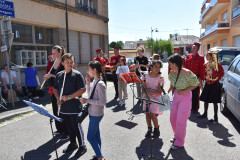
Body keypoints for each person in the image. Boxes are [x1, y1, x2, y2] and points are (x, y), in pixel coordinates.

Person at [54, 53, 87, 155]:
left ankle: (82, 145)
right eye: (67, 62)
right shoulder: (59, 75)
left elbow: (83, 89)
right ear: (62, 63)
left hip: (74, 106)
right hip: (64, 107)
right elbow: (55, 89)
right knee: (69, 127)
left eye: (71, 62)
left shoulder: (77, 75)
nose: (70, 64)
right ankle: (73, 143)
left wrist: (69, 97)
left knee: (76, 126)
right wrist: (57, 99)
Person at [168, 54, 199, 149]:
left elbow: (196, 84)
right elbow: (172, 84)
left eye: (170, 63)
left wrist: (185, 90)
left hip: (185, 97)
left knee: (181, 120)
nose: (169, 65)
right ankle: (177, 135)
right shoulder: (171, 73)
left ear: (174, 63)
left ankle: (179, 142)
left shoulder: (187, 73)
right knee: (172, 118)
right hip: (176, 96)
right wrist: (168, 90)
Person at [81, 61, 106, 160]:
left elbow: (103, 101)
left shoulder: (100, 84)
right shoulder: (95, 81)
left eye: (89, 69)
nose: (88, 71)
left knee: (90, 137)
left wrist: (87, 100)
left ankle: (100, 157)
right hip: (93, 112)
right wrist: (87, 83)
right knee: (96, 134)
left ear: (94, 70)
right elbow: (90, 94)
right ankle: (98, 153)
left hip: (97, 113)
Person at [43, 45, 68, 140]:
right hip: (54, 89)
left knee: (62, 110)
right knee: (55, 110)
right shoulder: (53, 62)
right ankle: (60, 129)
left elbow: (63, 76)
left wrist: (51, 75)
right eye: (52, 53)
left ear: (60, 52)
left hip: (62, 89)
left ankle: (67, 132)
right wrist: (47, 77)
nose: (52, 55)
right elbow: (53, 75)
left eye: (54, 53)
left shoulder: (64, 62)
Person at [198, 51, 224, 122]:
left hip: (214, 84)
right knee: (206, 100)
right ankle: (205, 113)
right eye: (205, 56)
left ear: (211, 56)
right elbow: (203, 73)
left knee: (214, 101)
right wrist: (205, 76)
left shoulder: (217, 64)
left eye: (207, 55)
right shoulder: (206, 64)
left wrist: (213, 73)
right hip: (208, 83)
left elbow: (222, 73)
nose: (206, 57)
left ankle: (216, 116)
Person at [141, 60, 164, 138]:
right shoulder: (145, 75)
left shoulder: (160, 78)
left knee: (153, 114)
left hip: (155, 98)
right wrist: (143, 85)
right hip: (146, 97)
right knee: (147, 113)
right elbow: (142, 85)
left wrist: (148, 91)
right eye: (155, 67)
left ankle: (156, 129)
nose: (157, 68)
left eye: (159, 67)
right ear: (151, 67)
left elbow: (159, 91)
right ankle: (149, 128)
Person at [185, 42, 205, 113]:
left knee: (195, 93)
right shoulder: (188, 56)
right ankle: (188, 106)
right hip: (188, 77)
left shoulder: (201, 58)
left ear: (198, 49)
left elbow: (202, 69)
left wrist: (201, 79)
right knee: (188, 92)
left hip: (196, 77)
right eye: (192, 48)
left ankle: (195, 108)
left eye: (194, 48)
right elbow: (185, 67)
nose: (193, 49)